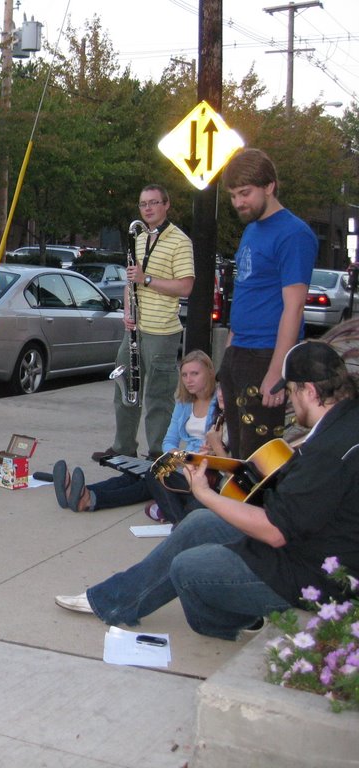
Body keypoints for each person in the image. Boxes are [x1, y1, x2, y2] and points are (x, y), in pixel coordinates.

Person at [56, 341, 359, 641]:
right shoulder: (344, 422)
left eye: (291, 391)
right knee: (201, 524)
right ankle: (114, 600)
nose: (290, 399)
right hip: (310, 545)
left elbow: (275, 530)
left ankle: (230, 619)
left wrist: (206, 494)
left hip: (315, 575)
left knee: (187, 568)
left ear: (310, 391)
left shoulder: (328, 452)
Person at [219, 148, 318, 459]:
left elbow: (294, 307)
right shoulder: (251, 230)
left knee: (260, 460)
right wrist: (227, 359)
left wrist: (277, 371)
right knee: (237, 452)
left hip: (266, 356)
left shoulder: (294, 234)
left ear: (269, 186)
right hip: (239, 354)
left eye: (245, 193)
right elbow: (247, 295)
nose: (238, 203)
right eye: (234, 195)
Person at [55, 350, 222, 523]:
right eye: (185, 375)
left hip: (203, 468)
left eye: (195, 373)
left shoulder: (220, 401)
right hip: (182, 461)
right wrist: (175, 456)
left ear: (209, 373)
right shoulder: (184, 403)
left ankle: (88, 497)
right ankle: (81, 492)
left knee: (149, 477)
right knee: (133, 475)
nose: (189, 380)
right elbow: (169, 440)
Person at [93, 185, 195, 463]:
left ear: (166, 205)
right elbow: (131, 280)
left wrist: (146, 279)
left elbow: (185, 286)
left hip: (162, 330)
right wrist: (128, 311)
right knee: (125, 386)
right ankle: (123, 446)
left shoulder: (180, 241)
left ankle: (158, 452)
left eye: (153, 203)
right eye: (142, 204)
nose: (148, 209)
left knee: (157, 395)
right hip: (135, 328)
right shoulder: (138, 238)